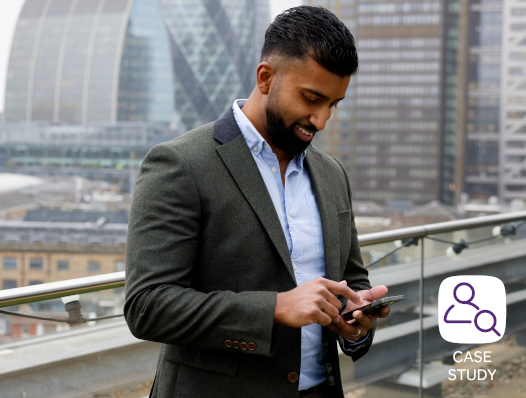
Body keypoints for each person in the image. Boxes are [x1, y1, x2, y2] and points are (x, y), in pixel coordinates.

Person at [123, 6, 391, 398]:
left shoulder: (332, 174)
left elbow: (352, 280)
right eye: (311, 98)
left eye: (333, 104)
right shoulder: (180, 164)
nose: (321, 120)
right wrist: (276, 308)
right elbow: (147, 306)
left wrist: (356, 321)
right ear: (265, 78)